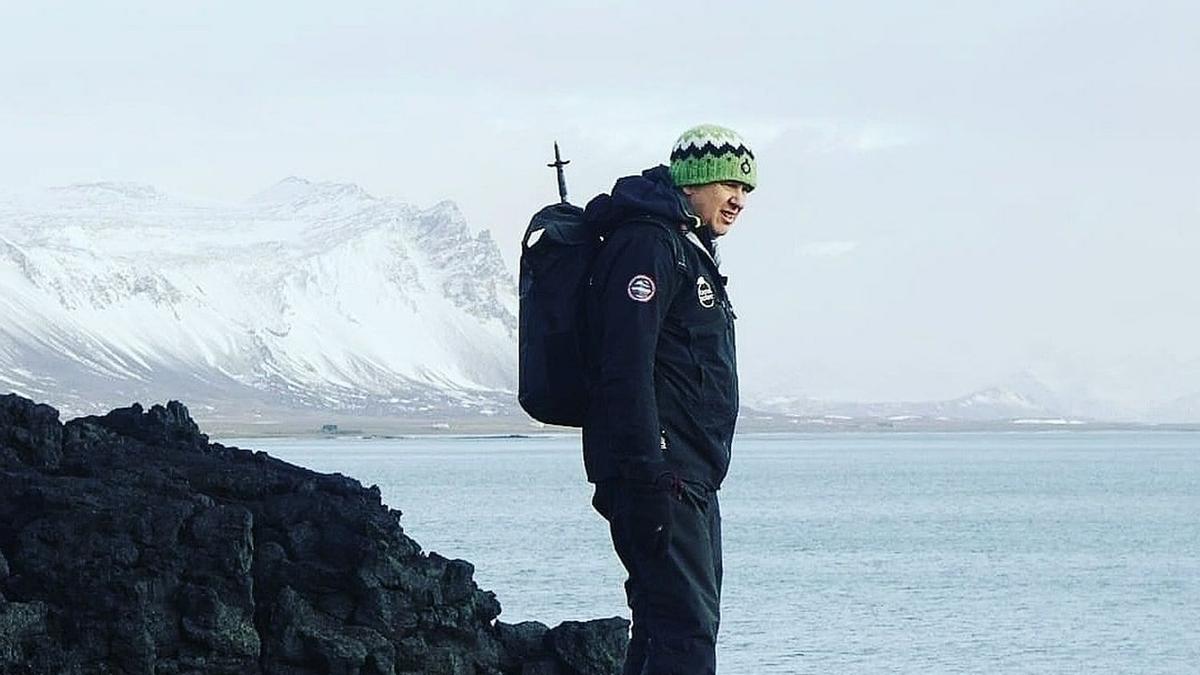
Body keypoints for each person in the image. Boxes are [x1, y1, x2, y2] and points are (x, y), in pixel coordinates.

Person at [582, 124, 755, 675]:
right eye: (728, 183)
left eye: (746, 188)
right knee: (686, 630)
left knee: (667, 624)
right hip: (662, 475)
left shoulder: (685, 246)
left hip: (688, 476)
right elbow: (626, 365)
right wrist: (647, 474)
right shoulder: (649, 244)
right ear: (695, 181)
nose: (739, 200)